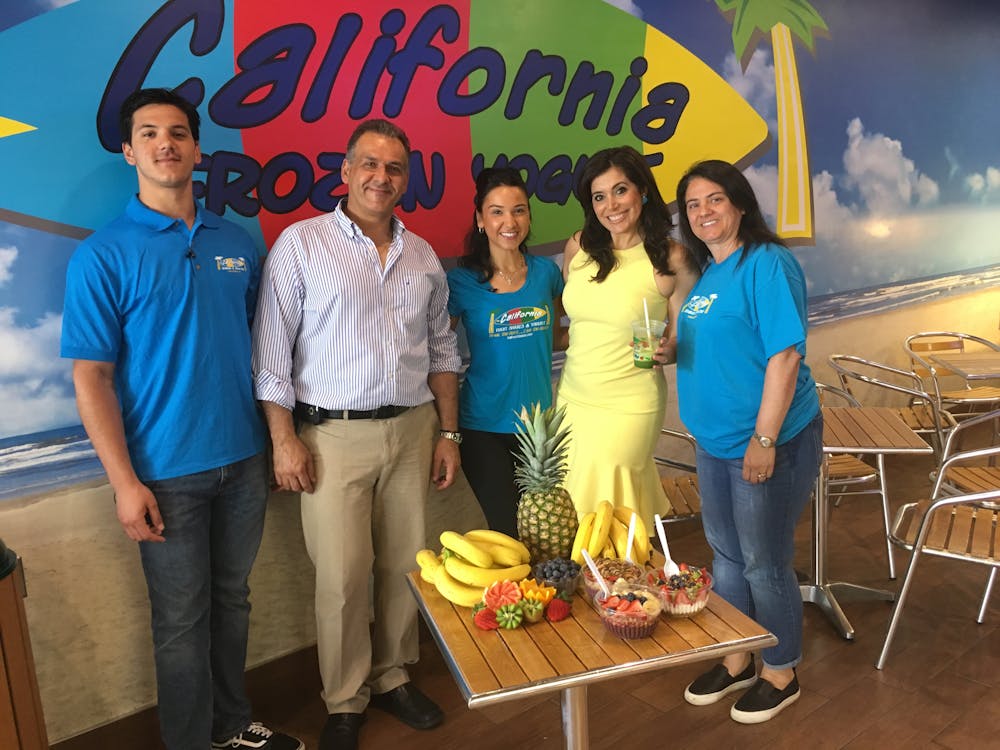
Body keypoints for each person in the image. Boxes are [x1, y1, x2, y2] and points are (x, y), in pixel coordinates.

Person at [60, 88, 301, 750]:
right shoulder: (103, 255)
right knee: (179, 622)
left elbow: (264, 347)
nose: (165, 143)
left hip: (245, 463)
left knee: (233, 602)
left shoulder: (237, 241)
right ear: (128, 149)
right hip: (165, 476)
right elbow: (91, 376)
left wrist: (279, 441)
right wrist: (123, 483)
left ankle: (232, 726)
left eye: (177, 133)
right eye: (149, 133)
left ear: (197, 148)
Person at [251, 119, 462, 750]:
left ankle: (394, 675)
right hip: (329, 438)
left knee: (404, 565)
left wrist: (448, 433)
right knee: (342, 577)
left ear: (406, 179)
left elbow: (444, 349)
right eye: (369, 164)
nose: (381, 177)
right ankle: (344, 699)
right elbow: (271, 353)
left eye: (394, 168)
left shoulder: (422, 254)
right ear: (344, 172)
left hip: (413, 429)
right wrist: (282, 439)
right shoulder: (302, 243)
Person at [672, 159, 822, 723]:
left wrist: (764, 437)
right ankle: (736, 658)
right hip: (713, 441)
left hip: (764, 441)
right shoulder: (710, 273)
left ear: (739, 203)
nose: (703, 212)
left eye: (714, 199)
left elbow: (785, 354)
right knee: (727, 556)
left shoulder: (767, 263)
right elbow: (717, 344)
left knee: (764, 562)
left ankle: (780, 671)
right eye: (692, 205)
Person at [557, 145, 700, 527]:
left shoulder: (671, 258)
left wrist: (670, 350)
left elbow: (689, 333)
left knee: (614, 507)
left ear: (643, 191)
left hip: (630, 403)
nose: (611, 205)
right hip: (574, 399)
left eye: (621, 190)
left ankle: (626, 583)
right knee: (574, 507)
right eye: (599, 196)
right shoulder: (579, 246)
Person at [447, 167, 565, 536]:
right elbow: (438, 350)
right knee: (507, 532)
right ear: (480, 219)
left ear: (529, 215)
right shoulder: (460, 281)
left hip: (540, 429)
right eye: (496, 211)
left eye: (519, 209)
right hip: (484, 426)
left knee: (545, 533)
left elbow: (559, 337)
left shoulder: (547, 273)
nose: (509, 221)